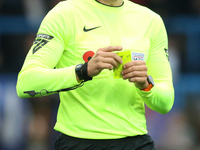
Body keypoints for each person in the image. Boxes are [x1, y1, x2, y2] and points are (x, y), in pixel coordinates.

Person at [16, 0, 174, 149]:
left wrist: (146, 85)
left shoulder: (151, 21)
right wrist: (82, 72)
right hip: (78, 141)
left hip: (135, 140)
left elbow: (165, 102)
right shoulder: (64, 14)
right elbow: (26, 83)